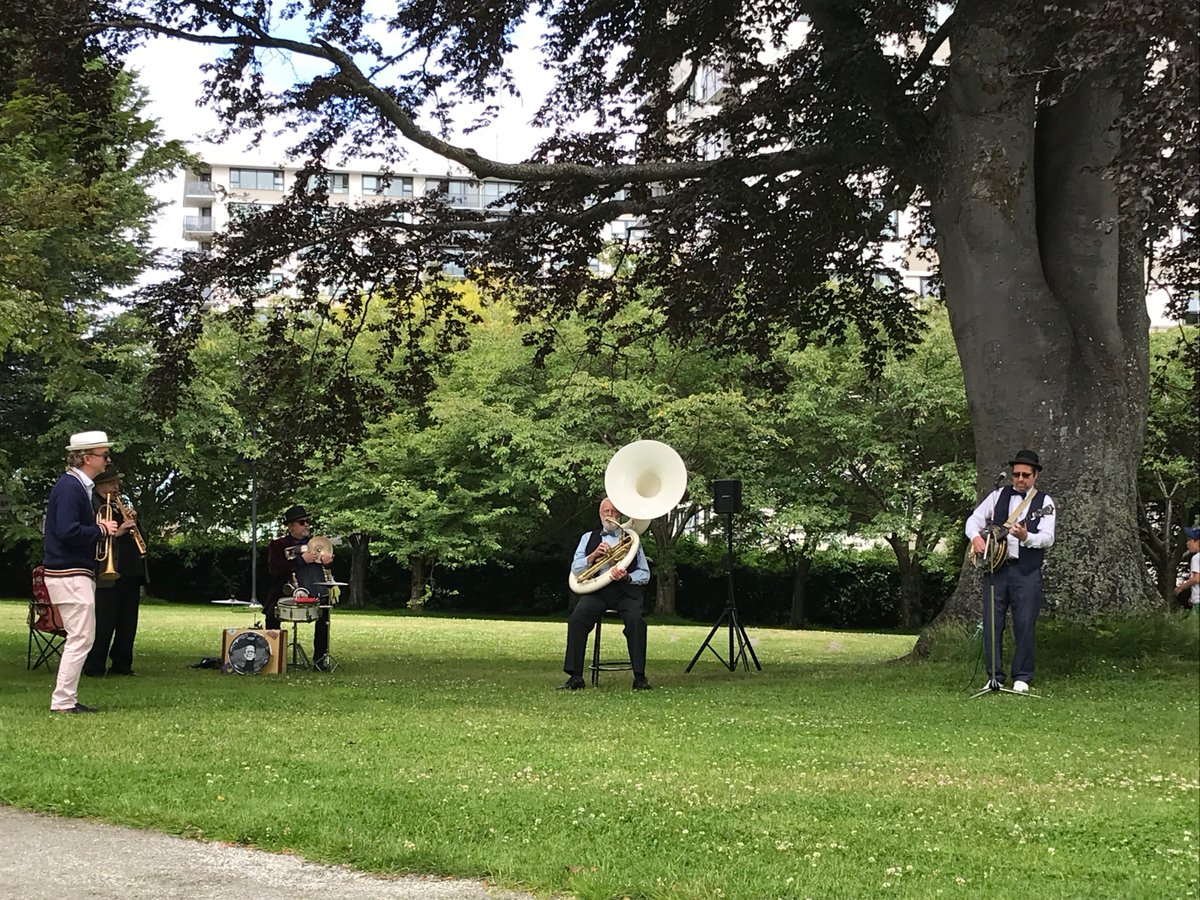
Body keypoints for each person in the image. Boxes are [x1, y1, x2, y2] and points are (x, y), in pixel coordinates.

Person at [42, 431, 123, 713]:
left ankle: (66, 699)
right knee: (81, 638)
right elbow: (67, 531)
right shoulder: (70, 488)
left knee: (82, 637)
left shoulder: (77, 487)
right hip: (69, 573)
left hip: (72, 572)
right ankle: (63, 701)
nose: (107, 461)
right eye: (103, 455)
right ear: (87, 458)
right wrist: (102, 529)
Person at [966, 449, 1056, 693]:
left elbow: (1047, 538)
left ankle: (1022, 677)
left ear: (1035, 476)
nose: (1020, 479)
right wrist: (976, 538)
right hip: (997, 570)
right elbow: (973, 520)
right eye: (1016, 474)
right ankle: (994, 676)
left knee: (1024, 623)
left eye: (1025, 475)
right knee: (992, 623)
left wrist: (1026, 537)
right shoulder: (997, 495)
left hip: (1026, 571)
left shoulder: (1044, 503)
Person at [560, 497, 653, 691]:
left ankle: (639, 677)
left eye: (613, 512)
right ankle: (575, 677)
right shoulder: (588, 538)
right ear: (600, 515)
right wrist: (593, 556)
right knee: (577, 619)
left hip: (625, 591)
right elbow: (576, 569)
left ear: (619, 514)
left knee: (636, 621)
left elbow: (644, 573)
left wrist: (627, 576)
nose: (610, 516)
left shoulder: (632, 538)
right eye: (606, 512)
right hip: (597, 590)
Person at [84, 467, 149, 677]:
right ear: (101, 485)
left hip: (130, 573)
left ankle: (122, 665)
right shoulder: (92, 505)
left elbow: (139, 537)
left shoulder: (117, 505)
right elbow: (90, 537)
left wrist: (133, 521)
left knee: (127, 623)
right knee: (103, 623)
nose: (116, 487)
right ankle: (95, 666)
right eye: (112, 483)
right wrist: (118, 532)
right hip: (106, 574)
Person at [267, 505, 335, 670]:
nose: (307, 525)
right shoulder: (278, 545)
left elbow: (330, 569)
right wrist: (301, 560)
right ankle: (272, 658)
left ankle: (320, 661)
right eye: (302, 522)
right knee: (271, 613)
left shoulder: (317, 544)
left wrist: (328, 561)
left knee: (324, 615)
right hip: (286, 591)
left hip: (314, 591)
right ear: (291, 526)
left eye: (307, 522)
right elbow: (274, 569)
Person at [1175, 526, 1200, 611]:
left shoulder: (1196, 558)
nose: (1187, 543)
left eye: (1190, 540)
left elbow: (1196, 579)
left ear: (1198, 542)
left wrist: (1182, 587)